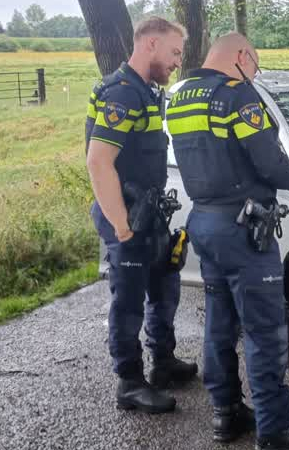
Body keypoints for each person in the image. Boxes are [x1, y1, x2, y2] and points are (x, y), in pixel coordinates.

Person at [166, 33, 289, 449]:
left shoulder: (181, 98)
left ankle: (226, 414)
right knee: (264, 331)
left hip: (204, 221)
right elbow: (268, 161)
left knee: (219, 325)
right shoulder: (238, 96)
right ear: (240, 56)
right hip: (244, 229)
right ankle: (274, 429)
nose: (255, 73)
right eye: (254, 64)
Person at [85, 16, 198, 414]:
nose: (176, 62)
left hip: (150, 213)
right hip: (128, 217)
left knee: (163, 288)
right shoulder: (123, 93)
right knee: (129, 301)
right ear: (150, 44)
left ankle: (163, 363)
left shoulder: (146, 91)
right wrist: (121, 225)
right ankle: (130, 383)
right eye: (174, 53)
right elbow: (99, 162)